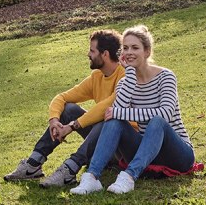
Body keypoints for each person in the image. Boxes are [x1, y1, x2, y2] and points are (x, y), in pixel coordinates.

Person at [70, 24, 194, 195]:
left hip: (178, 154)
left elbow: (165, 113)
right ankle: (92, 177)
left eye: (135, 47)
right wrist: (129, 75)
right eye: (125, 48)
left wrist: (120, 112)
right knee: (114, 120)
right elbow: (116, 115)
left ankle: (128, 177)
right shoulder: (125, 81)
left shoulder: (166, 77)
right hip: (146, 151)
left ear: (147, 52)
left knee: (157, 120)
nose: (129, 52)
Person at [2, 29, 125, 187]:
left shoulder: (125, 76)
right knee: (68, 109)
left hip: (121, 149)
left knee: (107, 119)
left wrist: (73, 126)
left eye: (92, 50)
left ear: (105, 54)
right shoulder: (97, 77)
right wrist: (54, 120)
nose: (88, 54)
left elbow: (106, 107)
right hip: (101, 143)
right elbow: (62, 97)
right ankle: (34, 163)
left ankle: (70, 169)